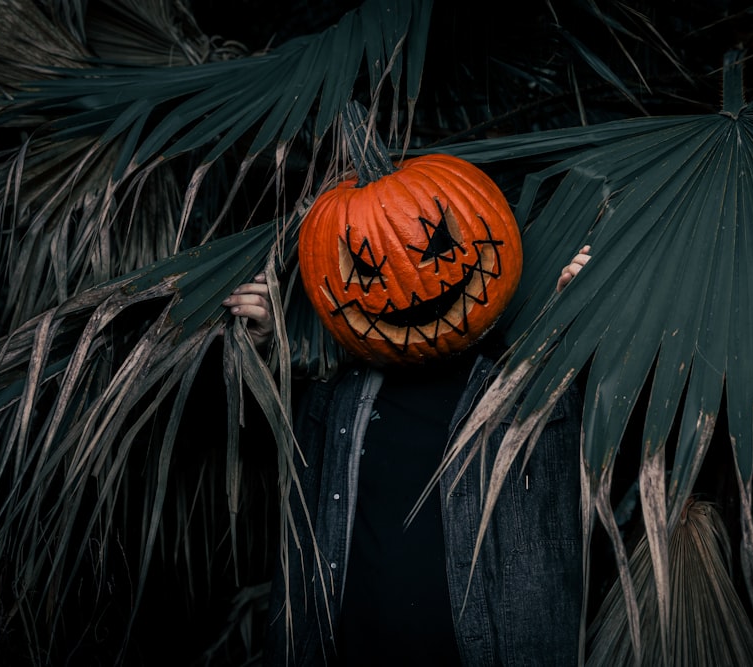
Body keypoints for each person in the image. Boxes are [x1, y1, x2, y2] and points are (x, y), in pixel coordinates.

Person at [224, 247, 592, 666]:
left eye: (435, 247)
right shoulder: (334, 401)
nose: (411, 275)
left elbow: (615, 427)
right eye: (374, 261)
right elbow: (254, 439)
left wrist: (582, 327)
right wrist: (259, 345)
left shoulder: (530, 393)